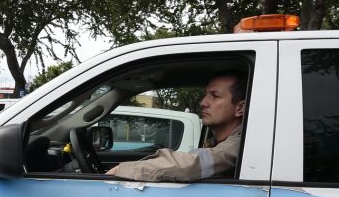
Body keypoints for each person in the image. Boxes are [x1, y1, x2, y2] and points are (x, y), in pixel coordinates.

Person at [105, 71, 246, 182]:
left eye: (214, 96)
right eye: (205, 95)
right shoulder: (215, 143)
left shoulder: (241, 145)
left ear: (240, 108)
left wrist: (122, 170)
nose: (203, 102)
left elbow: (192, 164)